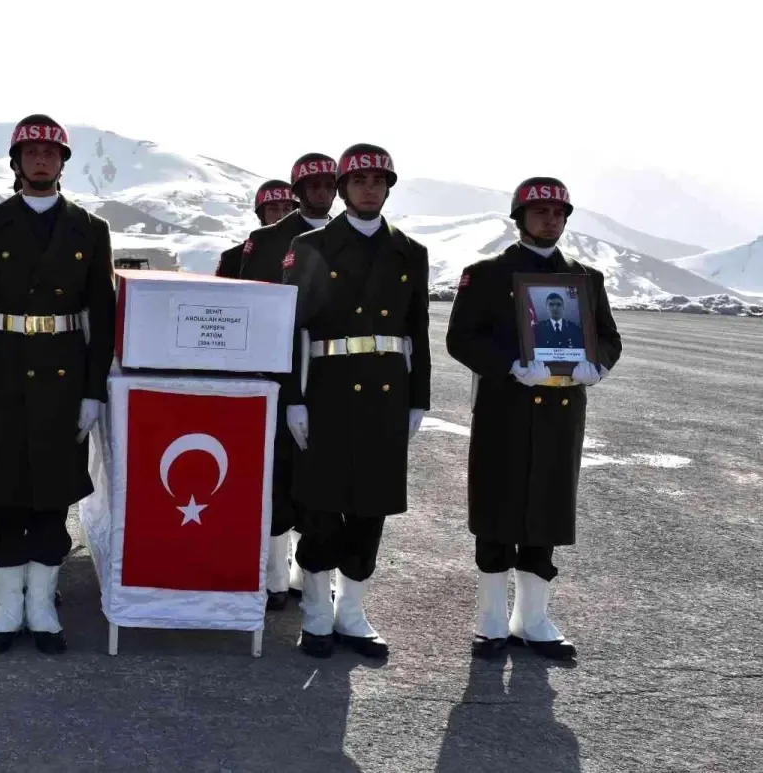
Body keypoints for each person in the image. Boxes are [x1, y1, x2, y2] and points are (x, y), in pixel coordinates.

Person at [0, 113, 116, 655]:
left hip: (64, 378)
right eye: (31, 152)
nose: (41, 160)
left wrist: (94, 390)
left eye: (51, 153)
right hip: (2, 373)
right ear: (17, 162)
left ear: (63, 163)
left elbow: (102, 314)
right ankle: (5, 610)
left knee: (51, 496)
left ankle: (43, 609)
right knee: (3, 494)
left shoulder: (90, 230)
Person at [445, 176, 622, 660]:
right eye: (540, 212)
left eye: (559, 213)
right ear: (519, 217)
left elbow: (608, 337)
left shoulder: (586, 278)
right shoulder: (485, 274)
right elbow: (461, 338)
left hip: (561, 414)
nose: (551, 220)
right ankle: (491, 620)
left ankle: (534, 620)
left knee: (545, 508)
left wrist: (597, 364)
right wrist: (510, 364)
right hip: (506, 408)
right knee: (498, 510)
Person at [280, 144, 431, 658]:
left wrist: (419, 400)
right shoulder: (311, 245)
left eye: (379, 180)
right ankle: (318, 615)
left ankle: (353, 613)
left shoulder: (409, 251)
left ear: (388, 188)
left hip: (387, 394)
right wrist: (293, 400)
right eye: (360, 179)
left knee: (371, 508)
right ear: (343, 187)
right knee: (321, 507)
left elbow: (419, 332)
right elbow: (291, 329)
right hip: (327, 390)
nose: (370, 187)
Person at [238, 155, 337, 610]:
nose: (320, 192)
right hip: (276, 377)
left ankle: (309, 572)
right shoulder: (265, 242)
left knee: (322, 479)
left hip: (332, 375)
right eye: (311, 185)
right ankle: (273, 574)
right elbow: (253, 314)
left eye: (327, 185)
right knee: (276, 477)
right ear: (297, 189)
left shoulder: (347, 238)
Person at [214, 179, 298, 278]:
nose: (281, 215)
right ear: (262, 214)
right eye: (273, 209)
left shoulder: (309, 251)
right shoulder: (233, 258)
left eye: (287, 209)